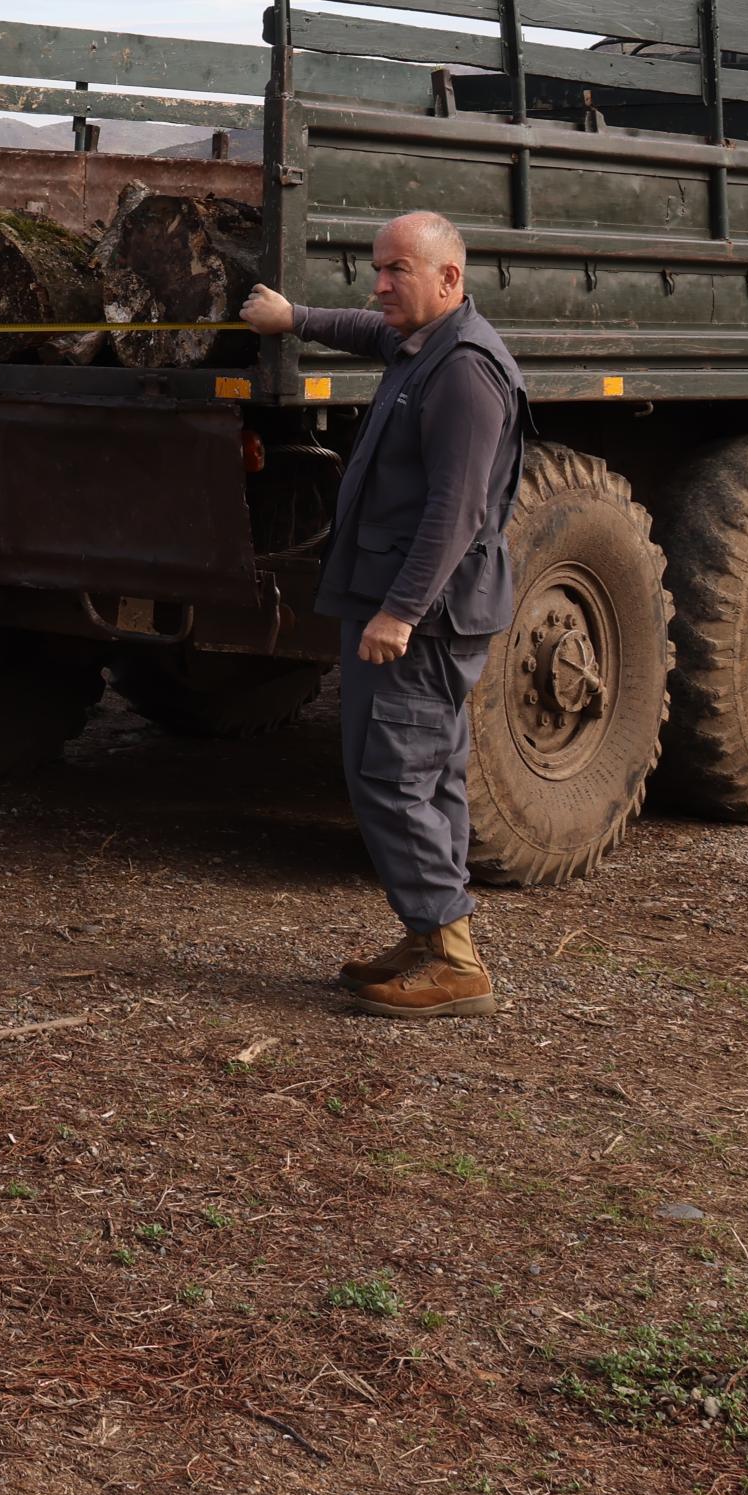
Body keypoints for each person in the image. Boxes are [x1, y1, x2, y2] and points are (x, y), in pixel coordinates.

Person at [240, 210, 527, 1019]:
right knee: (424, 773)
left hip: (423, 616)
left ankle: (453, 958)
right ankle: (430, 935)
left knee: (392, 773)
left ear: (450, 278)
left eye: (397, 271)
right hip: (408, 603)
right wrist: (295, 318)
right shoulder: (423, 342)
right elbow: (368, 329)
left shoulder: (466, 372)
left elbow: (455, 510)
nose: (380, 286)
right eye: (378, 268)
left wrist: (400, 611)